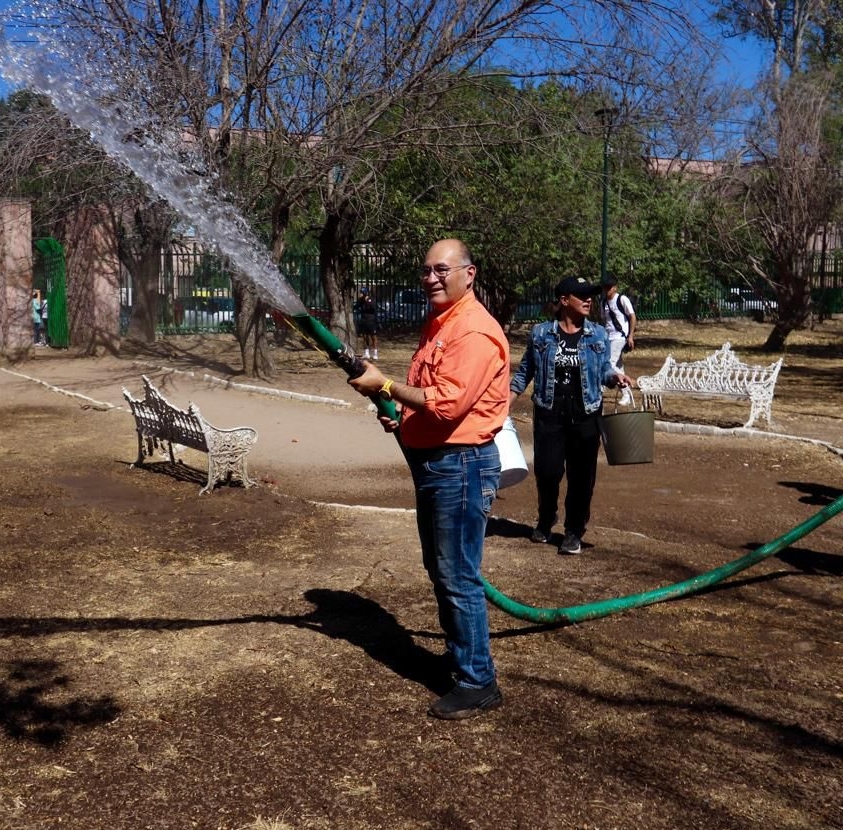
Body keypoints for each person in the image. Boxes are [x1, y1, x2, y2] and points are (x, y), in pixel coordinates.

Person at [348, 239, 509, 720]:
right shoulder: (441, 323)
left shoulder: (473, 330)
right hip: (441, 463)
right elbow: (427, 396)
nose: (431, 278)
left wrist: (384, 384)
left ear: (469, 274)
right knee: (443, 569)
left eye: (442, 270)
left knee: (457, 575)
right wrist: (401, 413)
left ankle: (478, 682)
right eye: (426, 271)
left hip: (461, 466)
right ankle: (465, 662)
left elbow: (448, 405)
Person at [510, 276, 634, 555]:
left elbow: (604, 369)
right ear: (564, 300)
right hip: (549, 412)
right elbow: (525, 371)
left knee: (581, 477)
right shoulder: (541, 334)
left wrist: (614, 377)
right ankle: (546, 516)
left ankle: (573, 531)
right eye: (581, 295)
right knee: (547, 472)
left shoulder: (598, 334)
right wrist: (507, 402)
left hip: (586, 413)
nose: (589, 300)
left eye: (590, 295)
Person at [599, 273, 637, 406]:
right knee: (618, 367)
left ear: (615, 287)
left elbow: (632, 316)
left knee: (609, 364)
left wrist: (630, 336)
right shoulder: (603, 302)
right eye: (605, 287)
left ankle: (600, 387)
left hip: (620, 337)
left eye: (609, 287)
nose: (606, 290)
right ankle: (626, 394)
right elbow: (604, 321)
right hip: (608, 338)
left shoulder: (622, 299)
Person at [353, 287, 379, 360]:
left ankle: (375, 353)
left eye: (361, 292)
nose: (360, 294)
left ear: (365, 293)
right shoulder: (361, 301)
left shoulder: (371, 300)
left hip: (371, 320)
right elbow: (356, 306)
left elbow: (373, 308)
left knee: (373, 337)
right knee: (365, 336)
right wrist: (359, 301)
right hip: (364, 320)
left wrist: (367, 301)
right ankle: (366, 353)